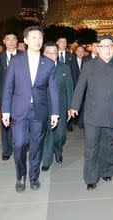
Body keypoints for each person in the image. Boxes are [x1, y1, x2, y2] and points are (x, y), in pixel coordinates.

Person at [69, 35, 113, 190]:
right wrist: (74, 106)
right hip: (93, 114)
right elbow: (80, 87)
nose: (107, 49)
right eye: (103, 46)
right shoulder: (89, 66)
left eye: (110, 46)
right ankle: (91, 178)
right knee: (91, 147)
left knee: (108, 145)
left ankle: (107, 170)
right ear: (97, 49)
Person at [1, 26, 59, 193]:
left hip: (39, 110)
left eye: (40, 38)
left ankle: (34, 176)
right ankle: (21, 176)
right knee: (19, 144)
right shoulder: (16, 61)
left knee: (37, 145)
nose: (37, 41)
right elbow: (8, 87)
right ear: (25, 41)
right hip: (19, 110)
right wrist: (6, 110)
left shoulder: (48, 63)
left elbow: (53, 89)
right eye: (33, 37)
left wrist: (55, 112)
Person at [41, 42, 74, 171]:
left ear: (58, 53)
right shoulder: (38, 68)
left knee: (60, 135)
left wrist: (71, 107)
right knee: (47, 134)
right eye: (48, 53)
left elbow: (69, 89)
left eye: (54, 53)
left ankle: (58, 150)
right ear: (43, 53)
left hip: (61, 106)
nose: (51, 55)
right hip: (44, 107)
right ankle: (47, 160)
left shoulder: (64, 68)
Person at [0, 32, 23, 161]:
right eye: (8, 39)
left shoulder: (24, 56)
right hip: (4, 97)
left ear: (17, 41)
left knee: (20, 123)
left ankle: (19, 147)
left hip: (20, 96)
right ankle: (6, 150)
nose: (11, 42)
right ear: (4, 41)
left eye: (13, 39)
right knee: (5, 124)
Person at [56, 37, 79, 132]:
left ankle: (68, 124)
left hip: (68, 84)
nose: (63, 43)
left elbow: (74, 71)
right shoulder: (53, 54)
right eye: (61, 42)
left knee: (68, 104)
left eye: (65, 42)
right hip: (57, 84)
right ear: (57, 43)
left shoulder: (71, 56)